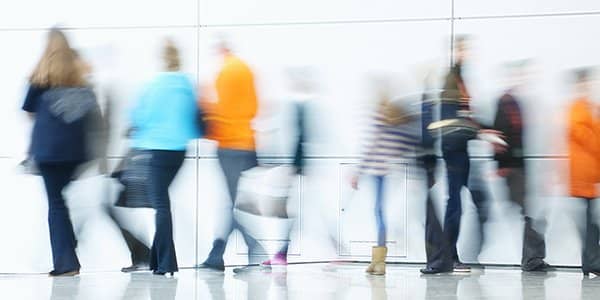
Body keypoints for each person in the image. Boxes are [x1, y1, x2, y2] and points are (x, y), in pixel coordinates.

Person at [22, 28, 102, 277]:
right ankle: (69, 245)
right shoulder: (82, 81)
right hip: (75, 153)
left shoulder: (40, 78)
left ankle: (67, 262)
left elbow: (28, 111)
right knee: (61, 203)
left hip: (48, 152)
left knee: (56, 205)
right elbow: (93, 115)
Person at [420, 36, 492, 274]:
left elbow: (463, 116)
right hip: (454, 150)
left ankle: (449, 255)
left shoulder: (459, 79)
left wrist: (482, 129)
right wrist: (479, 132)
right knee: (455, 203)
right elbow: (452, 121)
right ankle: (449, 255)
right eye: (463, 49)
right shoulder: (451, 80)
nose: (467, 53)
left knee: (459, 202)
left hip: (460, 149)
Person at [129, 39, 199, 276]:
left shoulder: (154, 85)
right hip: (178, 151)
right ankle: (157, 260)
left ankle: (166, 264)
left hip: (155, 151)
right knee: (162, 203)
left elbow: (139, 118)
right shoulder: (187, 85)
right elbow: (195, 117)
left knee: (161, 206)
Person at [197, 40, 262, 272]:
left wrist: (204, 104)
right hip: (247, 142)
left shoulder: (226, 73)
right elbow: (254, 108)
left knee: (231, 205)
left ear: (221, 50)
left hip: (230, 145)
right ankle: (216, 255)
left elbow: (222, 113)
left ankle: (255, 249)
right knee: (232, 203)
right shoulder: (245, 69)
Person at [351, 79, 420, 276]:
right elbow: (409, 140)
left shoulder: (380, 116)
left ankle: (379, 261)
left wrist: (358, 171)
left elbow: (370, 147)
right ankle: (379, 260)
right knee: (382, 212)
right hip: (392, 170)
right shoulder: (398, 116)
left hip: (378, 171)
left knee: (379, 213)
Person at [492, 61, 552, 272]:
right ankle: (531, 260)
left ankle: (532, 259)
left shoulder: (517, 103)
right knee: (533, 213)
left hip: (520, 167)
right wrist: (500, 165)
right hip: (512, 169)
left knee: (533, 213)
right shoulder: (505, 103)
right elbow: (499, 135)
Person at [566, 68, 600, 276]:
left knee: (591, 223)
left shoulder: (588, 108)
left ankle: (591, 262)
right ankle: (592, 263)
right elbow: (590, 140)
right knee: (590, 224)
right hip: (583, 176)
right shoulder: (577, 110)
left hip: (590, 175)